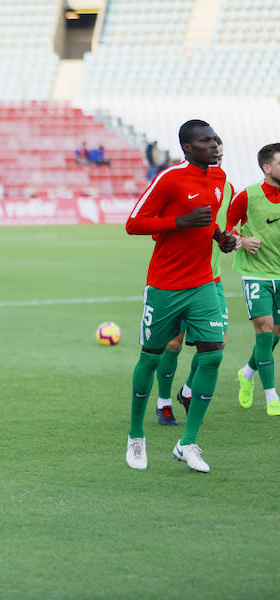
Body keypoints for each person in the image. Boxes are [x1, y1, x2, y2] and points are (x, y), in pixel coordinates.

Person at [125, 119, 235, 473]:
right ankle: (136, 435)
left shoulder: (219, 178)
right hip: (165, 286)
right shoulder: (170, 178)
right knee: (151, 358)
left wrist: (220, 237)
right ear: (188, 147)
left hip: (203, 283)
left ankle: (187, 443)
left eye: (215, 138)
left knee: (213, 356)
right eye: (206, 141)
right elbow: (134, 223)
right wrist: (180, 222)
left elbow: (208, 224)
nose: (215, 144)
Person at [153, 136, 235, 426]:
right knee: (173, 343)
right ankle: (163, 403)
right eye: (216, 153)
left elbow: (224, 229)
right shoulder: (182, 183)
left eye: (222, 156)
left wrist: (231, 241)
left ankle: (187, 391)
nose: (218, 159)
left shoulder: (226, 187)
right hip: (179, 279)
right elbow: (157, 231)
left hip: (211, 279)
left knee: (217, 345)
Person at [228, 143, 280, 416]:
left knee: (275, 334)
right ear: (267, 167)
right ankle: (272, 396)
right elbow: (222, 230)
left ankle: (246, 373)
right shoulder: (247, 196)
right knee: (264, 329)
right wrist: (241, 241)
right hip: (256, 276)